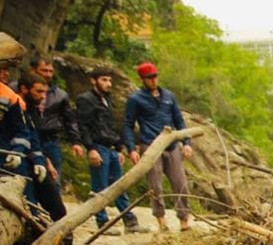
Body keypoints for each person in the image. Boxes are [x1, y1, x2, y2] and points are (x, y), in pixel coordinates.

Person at [124, 62, 193, 232]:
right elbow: (127, 124)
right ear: (142, 79)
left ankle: (184, 219)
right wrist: (132, 148)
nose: (153, 80)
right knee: (155, 186)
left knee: (180, 182)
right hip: (150, 145)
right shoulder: (135, 99)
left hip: (171, 144)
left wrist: (187, 142)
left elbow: (179, 120)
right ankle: (161, 221)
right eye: (149, 78)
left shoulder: (168, 96)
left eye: (155, 76)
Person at [77, 66, 144, 234]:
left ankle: (130, 222)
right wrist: (91, 149)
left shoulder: (107, 100)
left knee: (119, 186)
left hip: (111, 147)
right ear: (94, 81)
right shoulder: (86, 99)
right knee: (100, 188)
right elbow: (83, 126)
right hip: (98, 147)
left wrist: (120, 148)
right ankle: (103, 224)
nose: (108, 84)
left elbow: (112, 126)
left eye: (109, 80)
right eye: (104, 80)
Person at [26, 57, 83, 220]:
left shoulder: (60, 95)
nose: (48, 74)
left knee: (53, 180)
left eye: (51, 71)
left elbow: (69, 118)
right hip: (32, 138)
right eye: (44, 70)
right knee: (31, 178)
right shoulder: (25, 91)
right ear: (34, 70)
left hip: (51, 140)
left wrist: (76, 141)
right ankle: (32, 214)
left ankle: (51, 217)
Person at [0, 35, 51, 217]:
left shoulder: (10, 96)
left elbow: (23, 131)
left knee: (25, 203)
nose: (6, 74)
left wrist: (17, 152)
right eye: (3, 69)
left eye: (7, 70)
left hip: (5, 160)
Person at [16, 72, 65, 220]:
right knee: (28, 205)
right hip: (17, 162)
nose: (43, 96)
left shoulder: (33, 110)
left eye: (44, 92)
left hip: (35, 160)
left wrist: (43, 160)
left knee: (56, 205)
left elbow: (36, 137)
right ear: (24, 89)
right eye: (38, 92)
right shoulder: (14, 107)